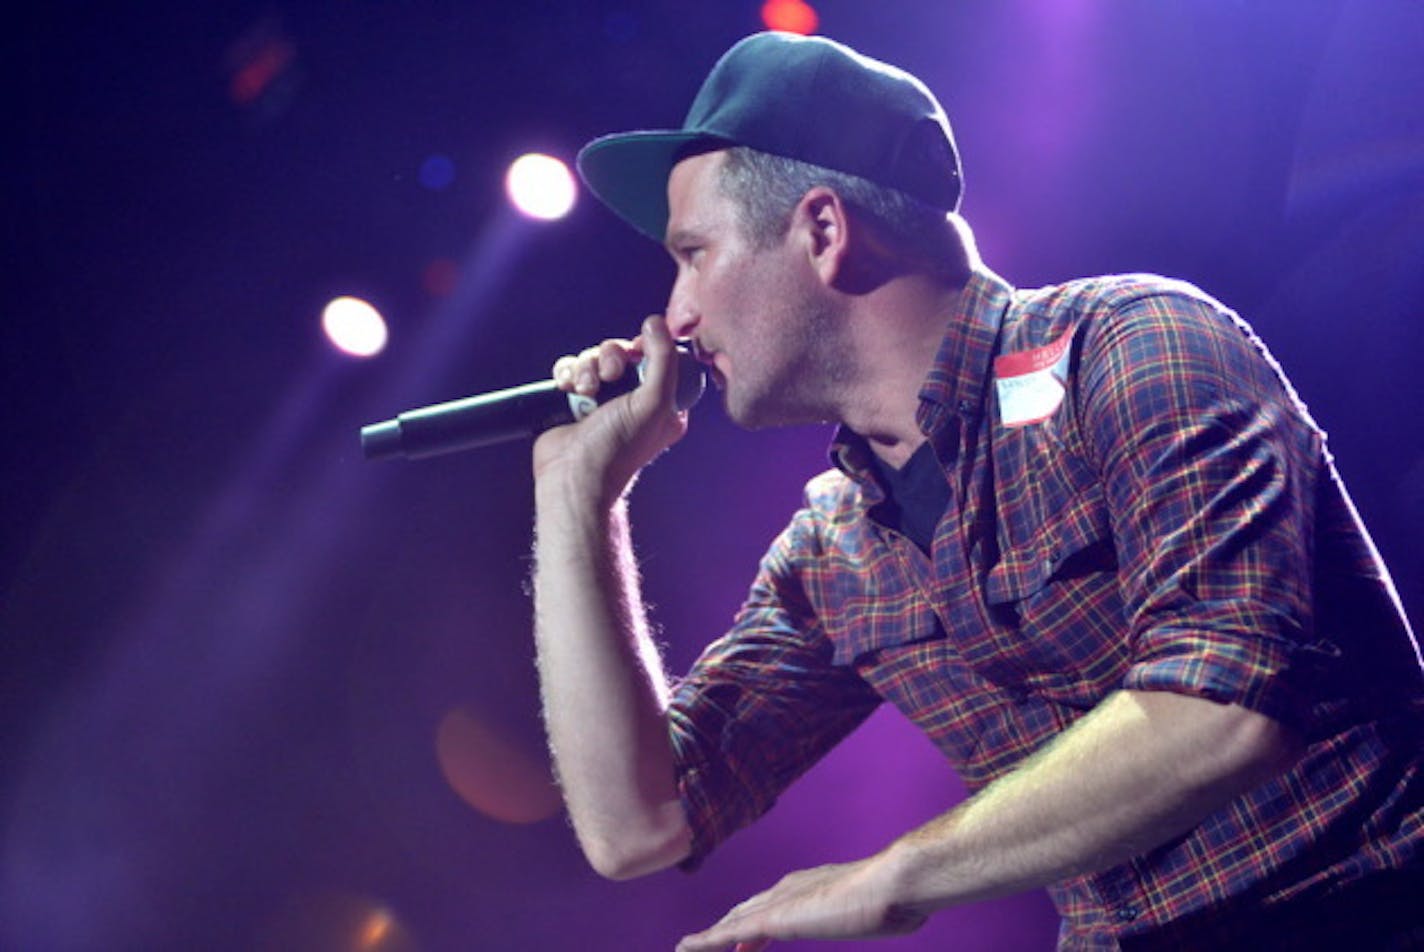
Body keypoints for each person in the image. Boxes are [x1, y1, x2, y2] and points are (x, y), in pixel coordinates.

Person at [529, 31, 1424, 951]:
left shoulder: (1129, 346)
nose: (673, 314)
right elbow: (638, 827)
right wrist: (576, 498)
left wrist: (897, 874)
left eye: (693, 253)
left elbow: (1225, 709)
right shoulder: (835, 551)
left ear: (823, 232)